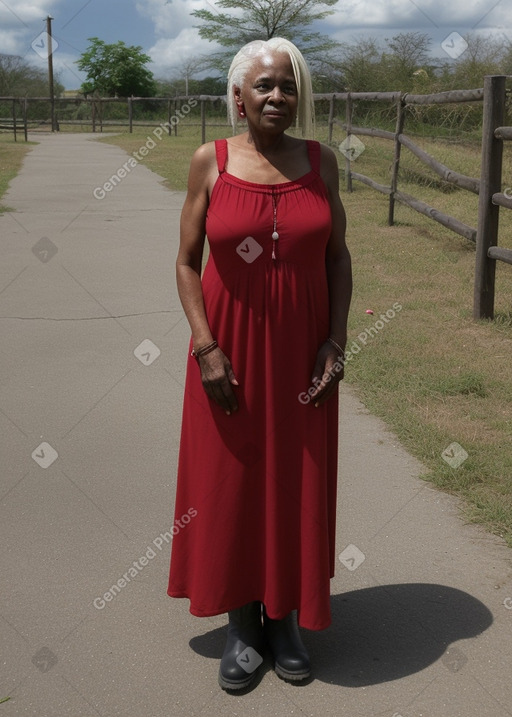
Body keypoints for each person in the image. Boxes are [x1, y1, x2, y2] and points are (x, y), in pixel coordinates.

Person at [167, 37, 352, 691]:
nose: (278, 96)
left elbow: (337, 257)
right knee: (232, 480)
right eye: (265, 85)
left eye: (289, 85)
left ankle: (287, 618)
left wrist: (336, 338)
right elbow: (187, 263)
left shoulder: (321, 163)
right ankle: (244, 622)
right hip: (229, 354)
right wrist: (205, 346)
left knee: (297, 479)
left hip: (304, 355)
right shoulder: (210, 163)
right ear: (239, 96)